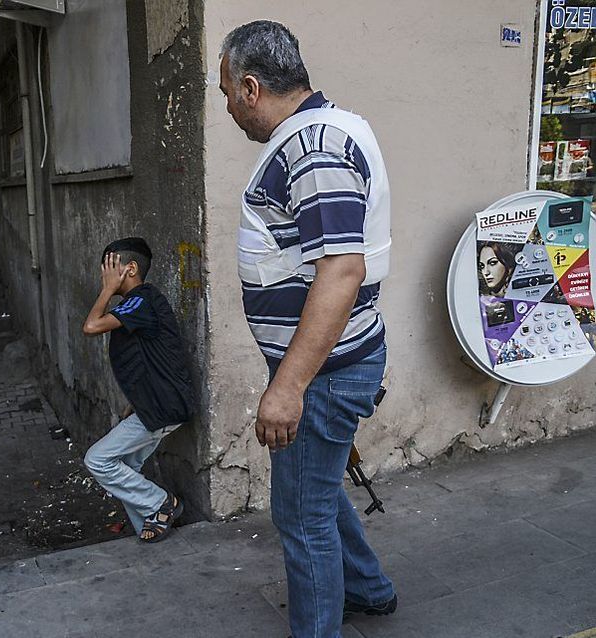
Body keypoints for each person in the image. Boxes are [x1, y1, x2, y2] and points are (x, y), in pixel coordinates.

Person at [219, 21, 397, 637]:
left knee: (300, 516)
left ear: (250, 87)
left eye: (226, 94)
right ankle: (370, 589)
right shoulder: (325, 131)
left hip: (322, 373)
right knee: (316, 493)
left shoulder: (314, 146)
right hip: (331, 364)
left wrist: (288, 386)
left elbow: (342, 270)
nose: (230, 110)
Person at [81, 238, 196, 542]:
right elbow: (147, 357)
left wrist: (106, 290)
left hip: (162, 407)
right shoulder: (137, 304)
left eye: (110, 268)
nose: (104, 276)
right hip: (157, 404)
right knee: (127, 466)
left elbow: (91, 326)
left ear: (129, 269)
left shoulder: (141, 299)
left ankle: (161, 504)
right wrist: (136, 399)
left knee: (98, 460)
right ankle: (149, 521)